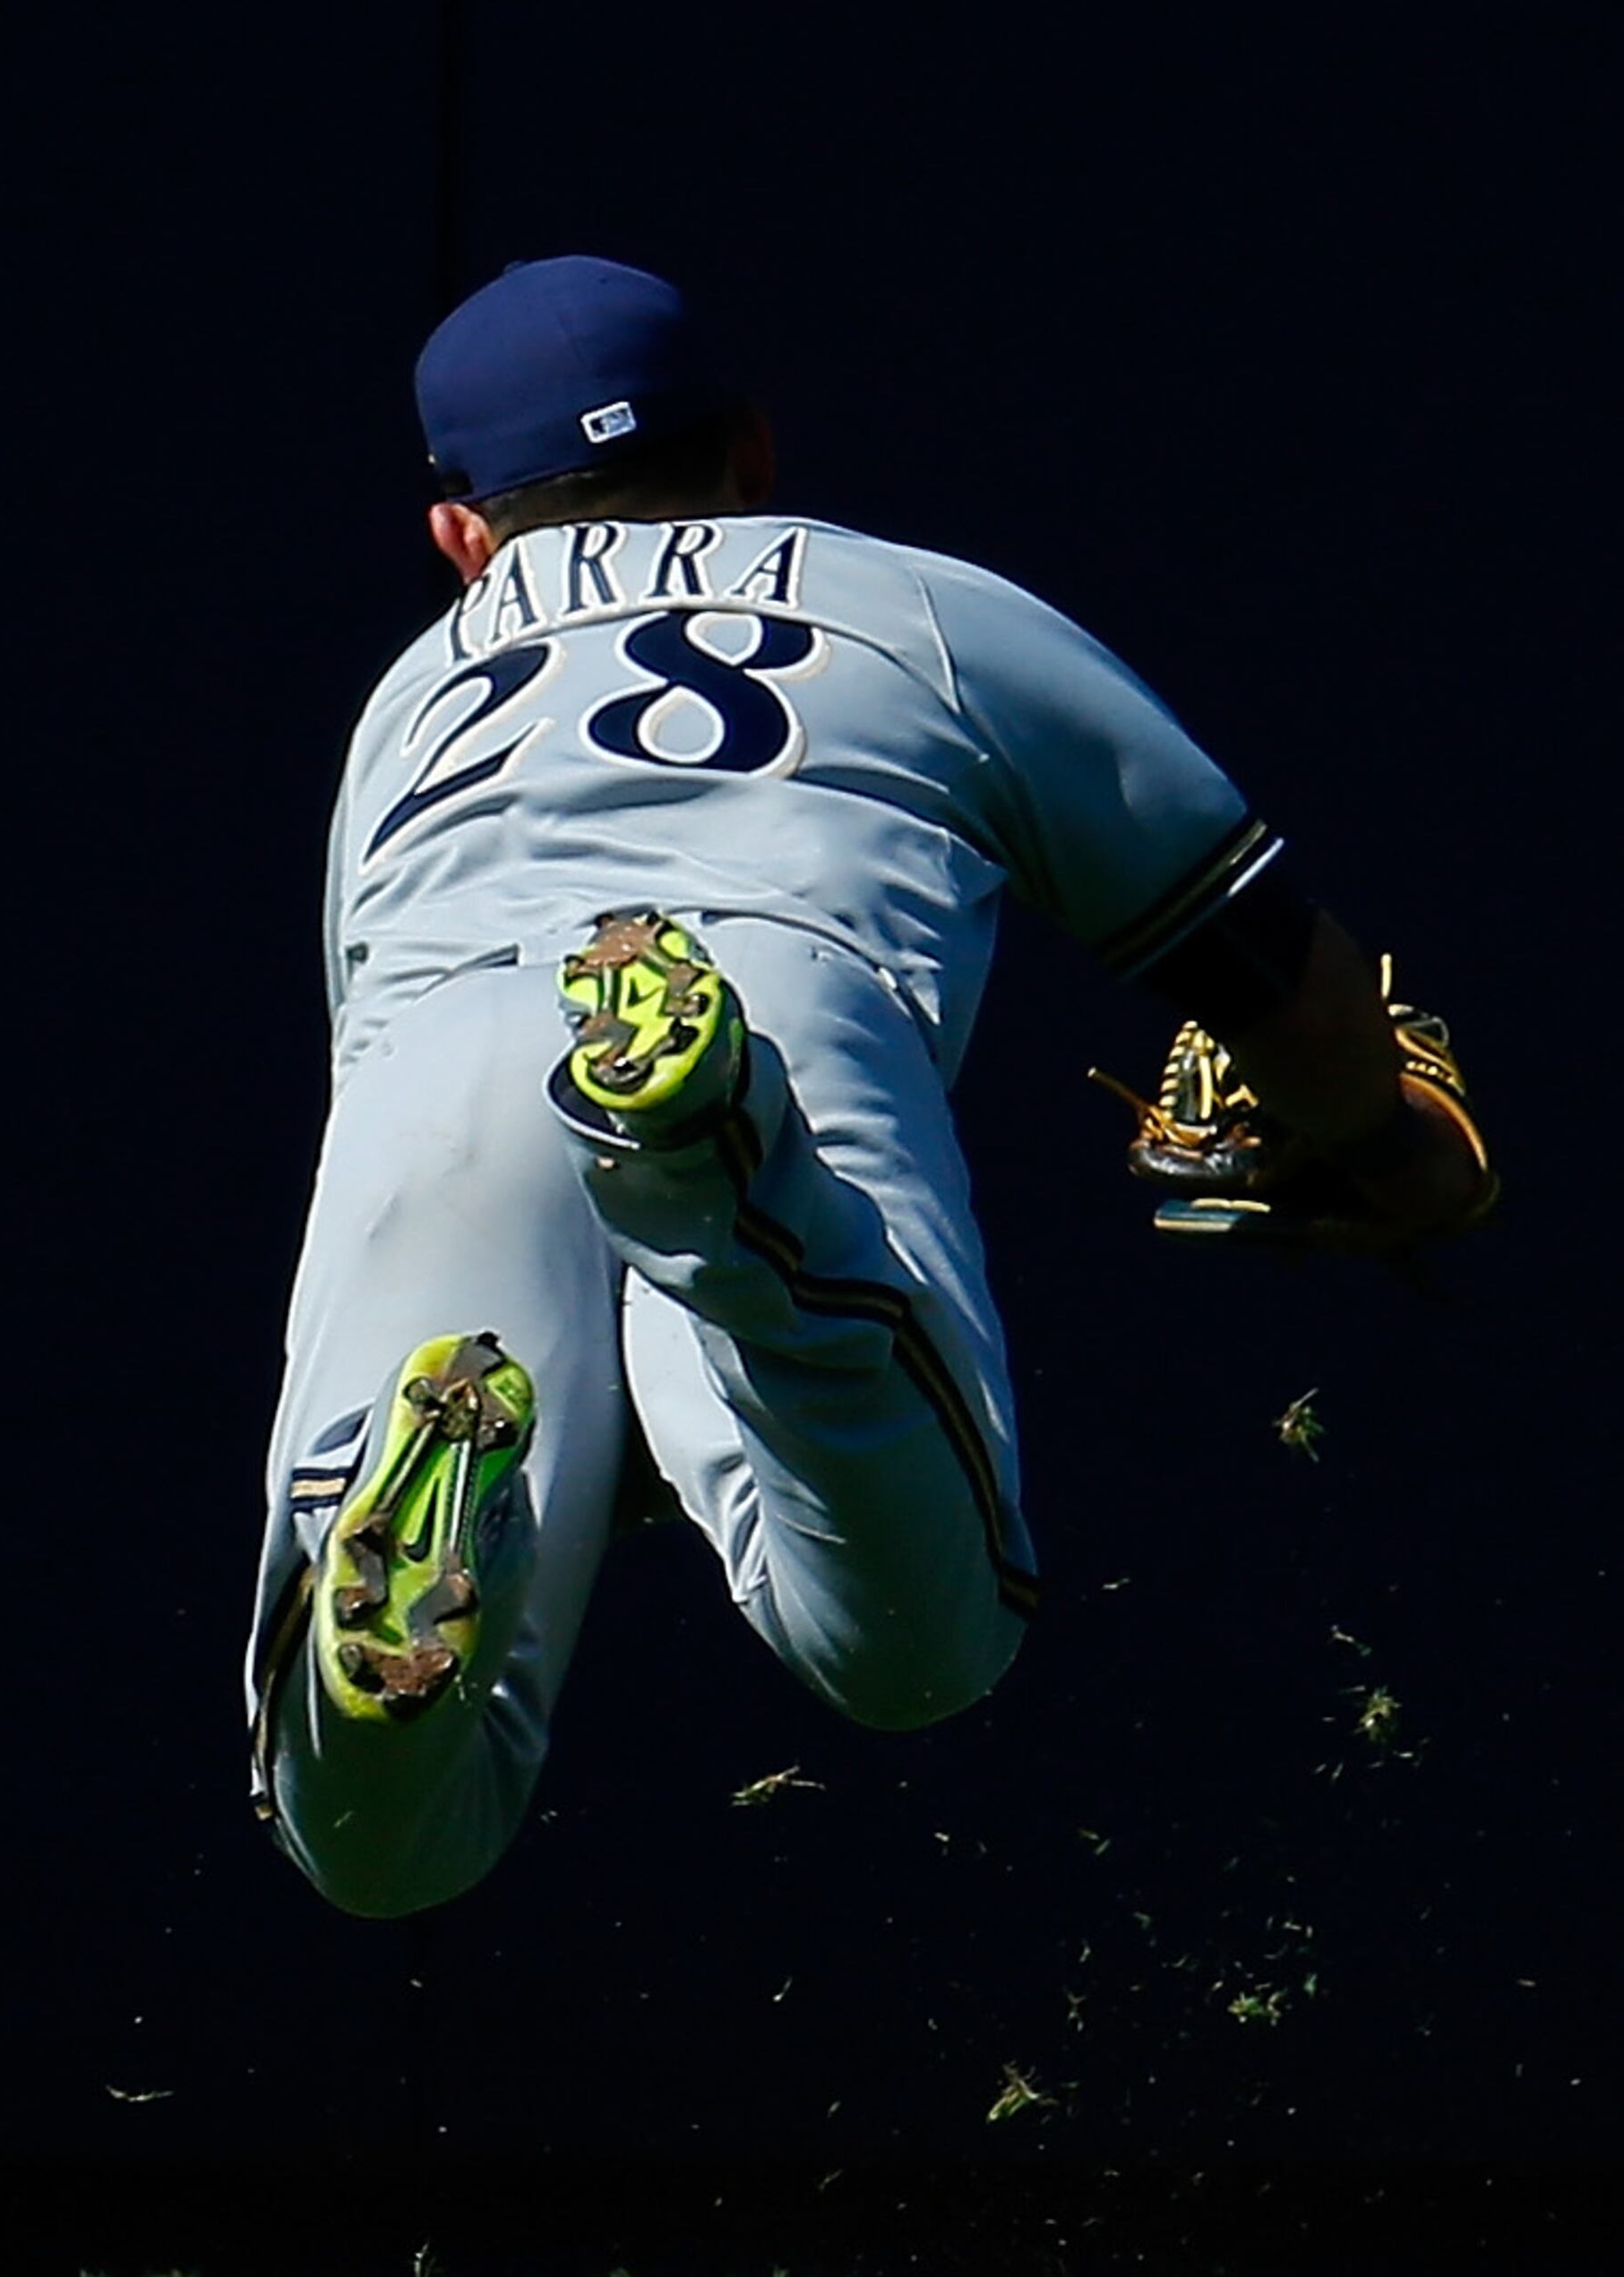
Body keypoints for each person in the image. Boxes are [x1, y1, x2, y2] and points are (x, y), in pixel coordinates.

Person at [244, 256, 1491, 1918]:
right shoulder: (912, 606)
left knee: (382, 1854)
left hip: (432, 1074)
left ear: (459, 544)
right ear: (753, 452)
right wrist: (1383, 1150)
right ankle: (711, 1157)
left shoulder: (406, 705)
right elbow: (1281, 974)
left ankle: (385, 1616)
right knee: (915, 1650)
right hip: (763, 991)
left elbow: (387, 1055)